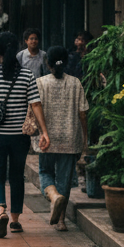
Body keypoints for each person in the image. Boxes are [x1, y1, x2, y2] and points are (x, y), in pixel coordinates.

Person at [0, 32, 50, 238]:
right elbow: (35, 104)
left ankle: (1, 211)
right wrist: (44, 132)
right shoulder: (27, 75)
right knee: (17, 176)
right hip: (20, 135)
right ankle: (15, 220)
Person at [33, 46, 89, 231]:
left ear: (47, 63)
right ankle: (61, 221)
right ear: (66, 62)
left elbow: (34, 109)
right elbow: (83, 114)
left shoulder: (40, 83)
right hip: (69, 138)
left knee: (45, 172)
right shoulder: (75, 83)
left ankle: (53, 196)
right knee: (64, 180)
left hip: (46, 138)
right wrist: (85, 137)